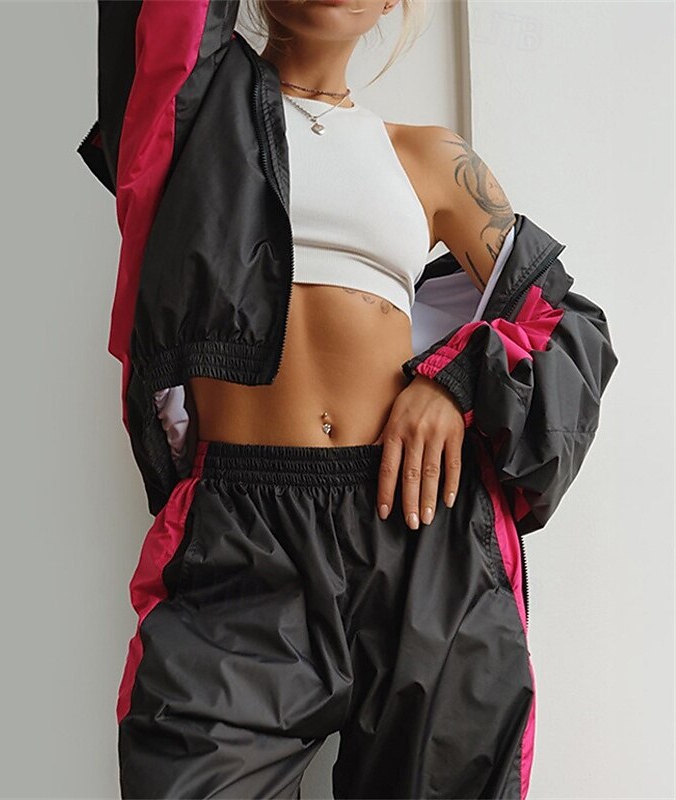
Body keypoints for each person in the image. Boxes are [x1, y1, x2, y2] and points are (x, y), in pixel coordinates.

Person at [76, 1, 618, 798]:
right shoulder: (187, 118)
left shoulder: (428, 157)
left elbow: (566, 325)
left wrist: (454, 384)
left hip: (420, 532)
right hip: (242, 541)